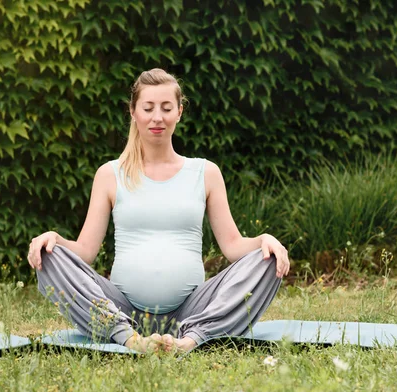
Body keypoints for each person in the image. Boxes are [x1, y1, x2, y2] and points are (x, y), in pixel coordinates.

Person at [27, 68, 290, 353]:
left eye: (166, 108)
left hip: (193, 311)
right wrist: (53, 240)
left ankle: (190, 340)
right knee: (48, 255)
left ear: (179, 112)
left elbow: (233, 246)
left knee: (267, 261)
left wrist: (264, 240)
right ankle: (130, 339)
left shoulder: (205, 172)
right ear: (133, 111)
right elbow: (85, 251)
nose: (157, 118)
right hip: (120, 309)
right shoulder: (110, 174)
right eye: (148, 108)